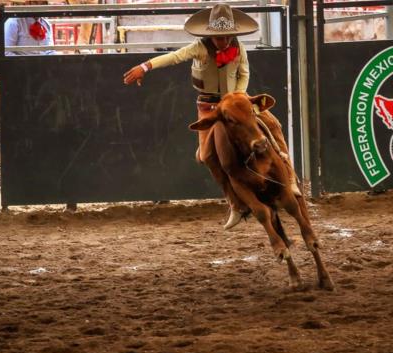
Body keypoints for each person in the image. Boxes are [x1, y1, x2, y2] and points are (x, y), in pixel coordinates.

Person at [123, 3, 300, 230]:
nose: (223, 41)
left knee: (273, 125)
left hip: (236, 102)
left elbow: (244, 73)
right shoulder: (199, 48)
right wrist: (145, 66)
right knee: (207, 155)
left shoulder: (240, 49)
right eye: (218, 37)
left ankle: (291, 178)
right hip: (209, 107)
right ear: (210, 35)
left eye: (227, 37)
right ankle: (235, 203)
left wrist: (238, 98)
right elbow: (175, 57)